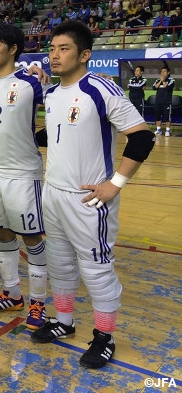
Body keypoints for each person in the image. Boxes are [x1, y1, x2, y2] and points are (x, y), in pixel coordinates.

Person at [30, 20, 155, 370]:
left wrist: (115, 183)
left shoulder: (100, 88)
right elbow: (52, 137)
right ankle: (65, 323)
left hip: (89, 199)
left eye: (64, 48)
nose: (55, 55)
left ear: (84, 54)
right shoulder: (53, 94)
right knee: (60, 264)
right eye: (52, 48)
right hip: (52, 195)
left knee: (96, 270)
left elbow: (142, 137)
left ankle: (104, 337)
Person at [0, 24, 48, 331]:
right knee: (2, 233)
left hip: (24, 174)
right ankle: (13, 294)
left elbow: (60, 94)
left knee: (31, 237)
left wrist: (48, 77)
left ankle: (38, 300)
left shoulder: (31, 83)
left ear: (13, 49)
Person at [153, 66, 175, 136]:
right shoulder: (157, 80)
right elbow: (154, 87)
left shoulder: (171, 80)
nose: (162, 73)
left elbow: (168, 87)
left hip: (167, 102)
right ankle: (158, 130)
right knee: (158, 116)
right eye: (161, 72)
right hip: (158, 101)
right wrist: (160, 81)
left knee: (167, 117)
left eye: (164, 71)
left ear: (168, 73)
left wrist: (163, 81)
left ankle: (167, 131)